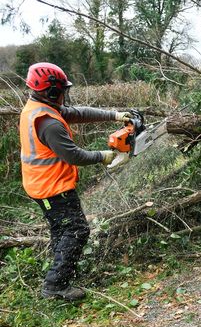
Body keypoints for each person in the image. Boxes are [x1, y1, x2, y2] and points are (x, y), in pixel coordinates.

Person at [19, 62, 130, 301]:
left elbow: (78, 113)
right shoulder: (48, 123)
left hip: (45, 183)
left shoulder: (40, 107)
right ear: (51, 91)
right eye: (61, 90)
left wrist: (115, 115)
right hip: (51, 188)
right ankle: (55, 285)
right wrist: (105, 156)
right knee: (76, 230)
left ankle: (60, 273)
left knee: (63, 229)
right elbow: (73, 155)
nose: (64, 95)